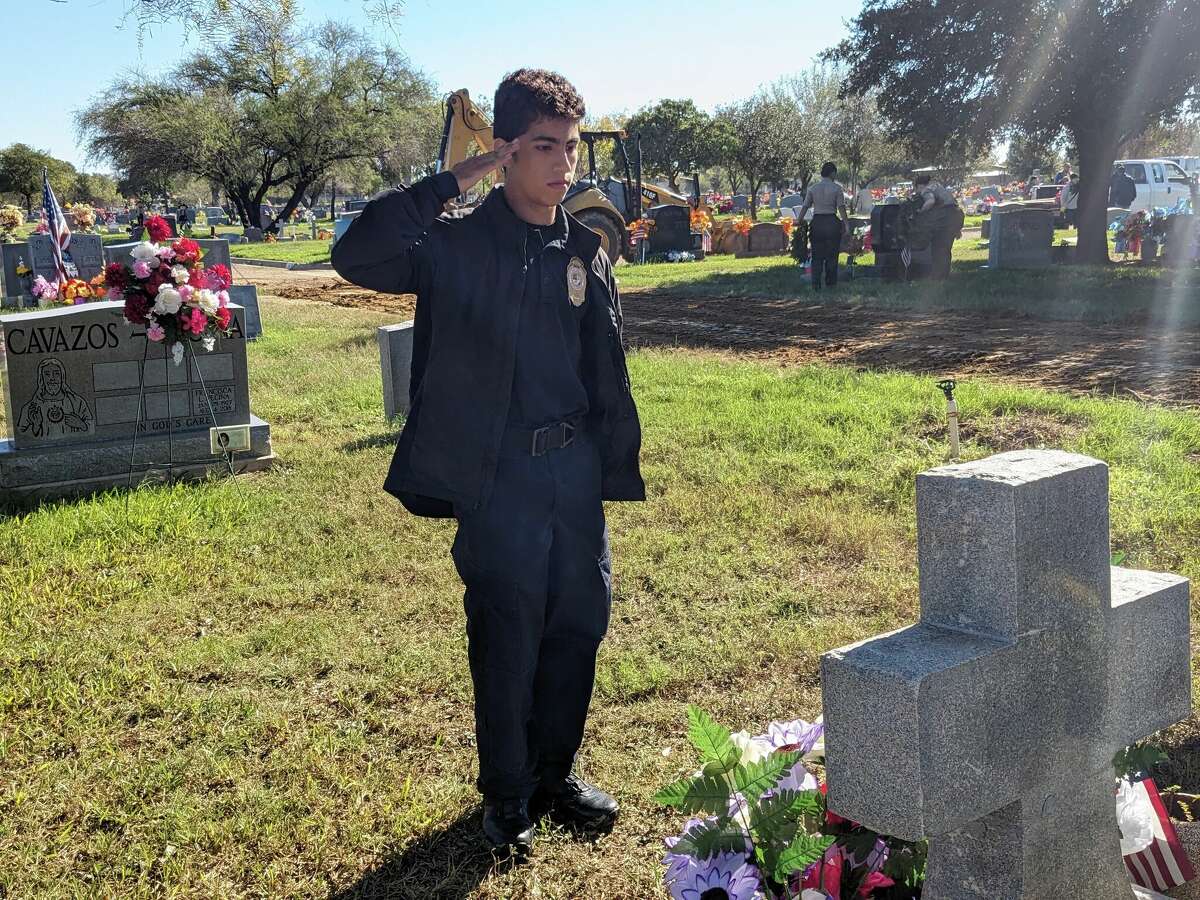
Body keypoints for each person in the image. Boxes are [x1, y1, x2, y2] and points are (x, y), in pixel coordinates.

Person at [331, 69, 644, 855]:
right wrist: (455, 178)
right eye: (543, 147)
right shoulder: (455, 244)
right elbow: (358, 254)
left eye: (570, 149)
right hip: (497, 473)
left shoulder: (581, 245)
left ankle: (553, 773)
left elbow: (596, 363)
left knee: (578, 624)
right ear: (506, 151)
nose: (562, 165)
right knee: (508, 632)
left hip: (572, 473)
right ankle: (506, 792)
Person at [798, 162, 848, 290]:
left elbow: (805, 206)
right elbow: (841, 208)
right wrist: (847, 225)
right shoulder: (837, 188)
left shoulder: (813, 188)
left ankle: (816, 284)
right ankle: (831, 284)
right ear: (832, 173)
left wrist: (799, 220)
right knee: (832, 255)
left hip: (817, 222)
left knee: (817, 255)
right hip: (832, 221)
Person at [913, 172, 965, 280]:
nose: (917, 192)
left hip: (945, 219)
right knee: (946, 248)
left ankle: (938, 277)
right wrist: (957, 229)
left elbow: (930, 202)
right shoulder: (938, 186)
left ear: (919, 185)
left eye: (916, 189)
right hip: (956, 215)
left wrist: (919, 211)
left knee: (938, 248)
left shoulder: (926, 190)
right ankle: (944, 275)